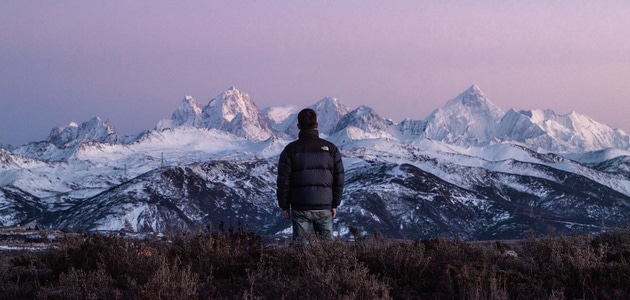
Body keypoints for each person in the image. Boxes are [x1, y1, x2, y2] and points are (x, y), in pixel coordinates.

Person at [277, 108, 344, 244]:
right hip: (324, 205)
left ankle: (304, 265)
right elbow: (339, 179)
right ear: (316, 125)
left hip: (300, 205)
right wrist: (334, 203)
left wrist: (284, 206)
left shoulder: (290, 150)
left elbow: (284, 181)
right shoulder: (331, 149)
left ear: (298, 126)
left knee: (302, 249)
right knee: (328, 249)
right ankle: (330, 265)